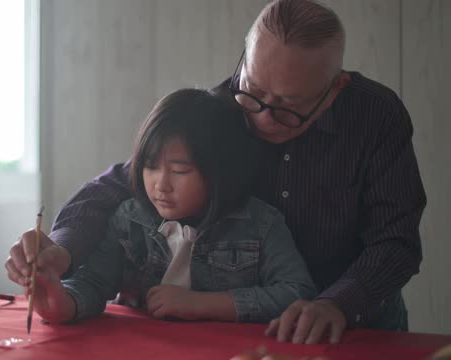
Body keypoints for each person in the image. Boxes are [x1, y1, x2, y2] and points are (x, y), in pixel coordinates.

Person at [7, 0, 426, 344]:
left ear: (333, 90)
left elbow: (395, 241)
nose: (263, 116)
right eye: (254, 92)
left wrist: (336, 302)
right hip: (242, 336)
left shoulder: (375, 117)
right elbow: (121, 183)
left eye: (288, 108)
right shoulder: (219, 108)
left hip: (355, 325)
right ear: (244, 59)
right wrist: (61, 248)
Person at [23, 88, 316, 324]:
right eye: (150, 167)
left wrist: (204, 305)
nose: (160, 185)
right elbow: (95, 281)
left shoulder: (261, 224)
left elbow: (297, 294)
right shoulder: (130, 219)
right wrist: (62, 303)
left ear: (220, 174)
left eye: (180, 171)